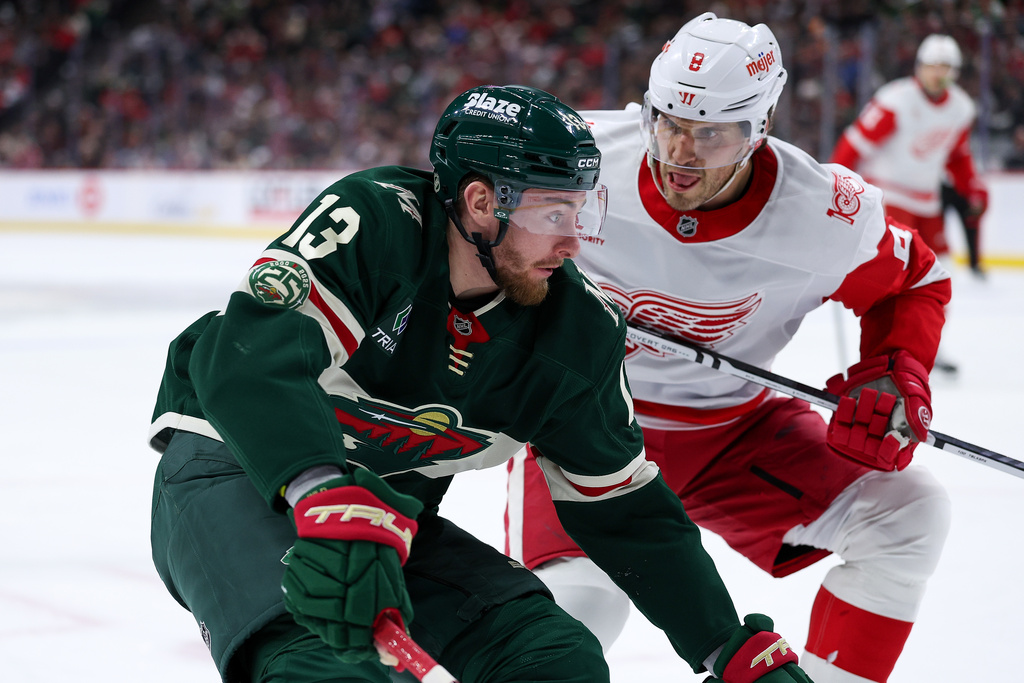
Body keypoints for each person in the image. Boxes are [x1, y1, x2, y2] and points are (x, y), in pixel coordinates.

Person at [148, 84, 813, 683]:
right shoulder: (375, 221)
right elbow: (245, 359)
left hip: (384, 519)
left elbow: (625, 509)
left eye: (580, 212)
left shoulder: (577, 332)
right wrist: (321, 492)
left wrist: (725, 647)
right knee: (323, 666)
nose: (574, 243)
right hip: (235, 470)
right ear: (480, 203)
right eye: (553, 215)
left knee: (555, 660)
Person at [505, 14, 953, 683]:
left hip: (731, 435)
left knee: (909, 513)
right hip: (584, 429)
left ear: (760, 127)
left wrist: (893, 370)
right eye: (668, 124)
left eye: (711, 133)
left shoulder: (823, 213)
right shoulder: (578, 157)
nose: (681, 154)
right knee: (575, 623)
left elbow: (915, 282)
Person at [830, 33, 987, 373]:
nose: (937, 73)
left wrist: (971, 188)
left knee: (938, 274)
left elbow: (957, 155)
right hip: (889, 196)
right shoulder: (896, 100)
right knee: (895, 277)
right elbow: (855, 143)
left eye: (944, 67)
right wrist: (834, 186)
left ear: (955, 71)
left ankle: (928, 345)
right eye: (931, 65)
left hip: (927, 202)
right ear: (918, 67)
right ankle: (888, 348)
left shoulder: (961, 107)